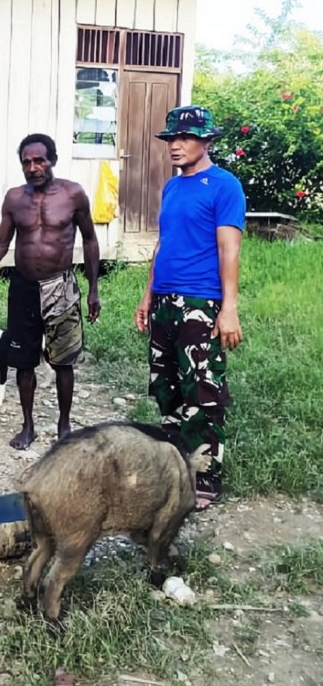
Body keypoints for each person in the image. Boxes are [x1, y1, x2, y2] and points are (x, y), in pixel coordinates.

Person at [0, 134, 100, 449]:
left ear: (52, 160)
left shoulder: (73, 195)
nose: (33, 167)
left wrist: (93, 289)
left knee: (63, 361)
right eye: (26, 162)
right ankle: (28, 426)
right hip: (23, 289)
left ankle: (64, 425)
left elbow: (89, 239)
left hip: (60, 287)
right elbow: (1, 244)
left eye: (39, 160)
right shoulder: (15, 199)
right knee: (23, 361)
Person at [134, 105, 245, 511]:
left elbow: (228, 248)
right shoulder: (172, 187)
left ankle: (207, 474)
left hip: (200, 301)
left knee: (203, 388)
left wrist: (228, 307)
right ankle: (177, 464)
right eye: (170, 139)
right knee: (165, 385)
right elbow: (162, 245)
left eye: (185, 138)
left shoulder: (223, 185)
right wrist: (148, 295)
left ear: (207, 140)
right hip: (164, 300)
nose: (175, 146)